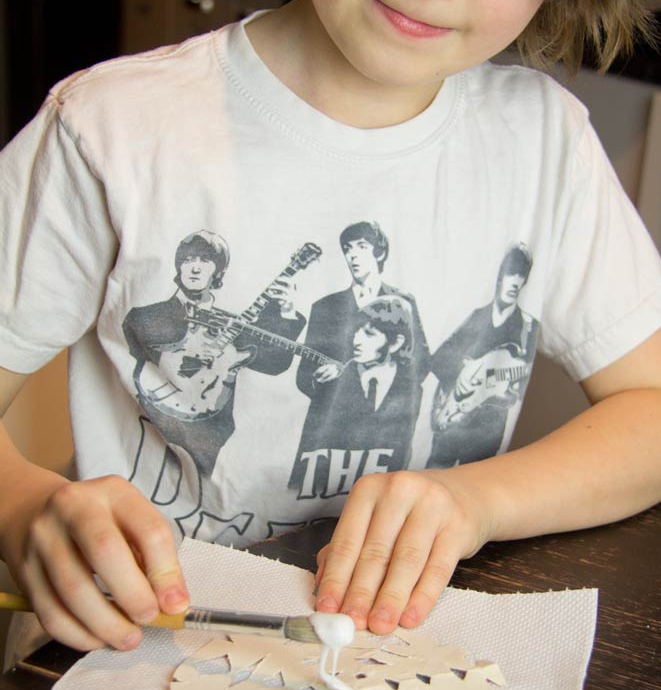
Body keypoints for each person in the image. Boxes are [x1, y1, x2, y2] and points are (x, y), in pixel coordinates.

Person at [1, 0, 661, 656]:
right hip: (136, 640)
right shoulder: (112, 130)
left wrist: (478, 501)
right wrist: (24, 509)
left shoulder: (543, 142)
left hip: (397, 648)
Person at [122, 229, 306, 541]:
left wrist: (285, 312)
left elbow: (275, 363)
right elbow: (142, 339)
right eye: (189, 259)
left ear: (217, 271)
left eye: (205, 261)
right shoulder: (146, 314)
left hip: (218, 429)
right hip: (158, 425)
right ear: (179, 267)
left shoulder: (233, 323)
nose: (195, 267)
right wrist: (188, 347)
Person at [289, 220, 430, 491]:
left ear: (379, 252)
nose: (353, 255)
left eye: (362, 247)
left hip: (386, 434)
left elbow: (421, 364)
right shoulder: (325, 307)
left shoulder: (404, 303)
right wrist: (322, 379)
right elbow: (304, 377)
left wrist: (384, 371)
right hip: (329, 440)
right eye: (348, 249)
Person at [293, 294, 424, 499]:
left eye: (370, 334)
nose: (357, 340)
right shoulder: (334, 379)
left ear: (396, 343)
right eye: (357, 331)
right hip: (321, 495)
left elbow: (401, 451)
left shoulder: (410, 390)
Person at [428, 243, 538, 467]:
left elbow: (515, 389)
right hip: (451, 420)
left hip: (487, 431)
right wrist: (464, 370)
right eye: (511, 274)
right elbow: (437, 360)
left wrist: (504, 390)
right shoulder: (477, 317)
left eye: (521, 276)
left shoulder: (528, 328)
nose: (515, 282)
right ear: (500, 277)